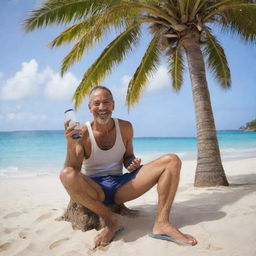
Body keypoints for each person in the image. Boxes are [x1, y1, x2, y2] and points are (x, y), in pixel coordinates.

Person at [60, 86, 197, 249]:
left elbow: (127, 156)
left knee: (172, 160)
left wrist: (131, 163)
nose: (102, 107)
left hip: (122, 186)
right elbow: (73, 170)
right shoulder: (83, 133)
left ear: (113, 105)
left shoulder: (125, 127)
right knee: (66, 174)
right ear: (90, 108)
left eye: (106, 102)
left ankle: (162, 223)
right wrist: (71, 145)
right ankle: (111, 220)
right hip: (96, 189)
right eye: (96, 103)